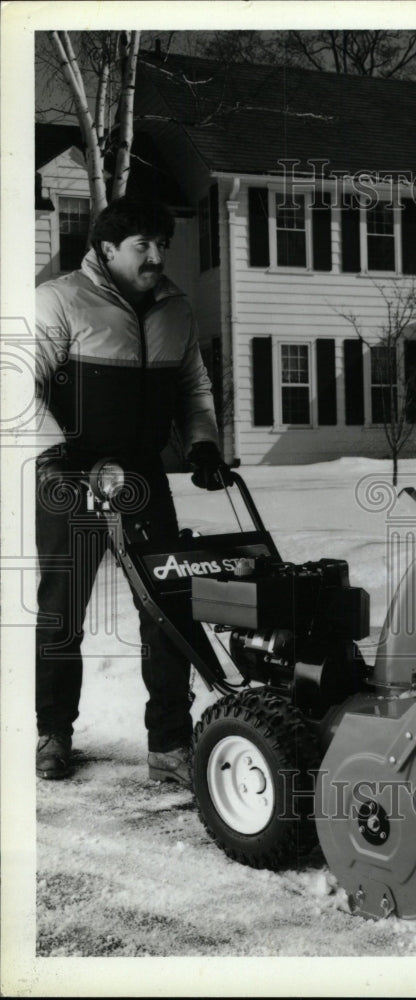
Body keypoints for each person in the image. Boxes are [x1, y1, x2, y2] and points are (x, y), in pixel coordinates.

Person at [35, 195, 230, 787]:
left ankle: (169, 743)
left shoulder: (176, 308)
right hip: (70, 474)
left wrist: (201, 443)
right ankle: (53, 733)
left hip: (143, 475)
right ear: (106, 249)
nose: (156, 255)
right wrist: (52, 451)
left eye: (162, 244)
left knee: (167, 605)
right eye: (142, 244)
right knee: (63, 608)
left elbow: (194, 386)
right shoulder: (59, 300)